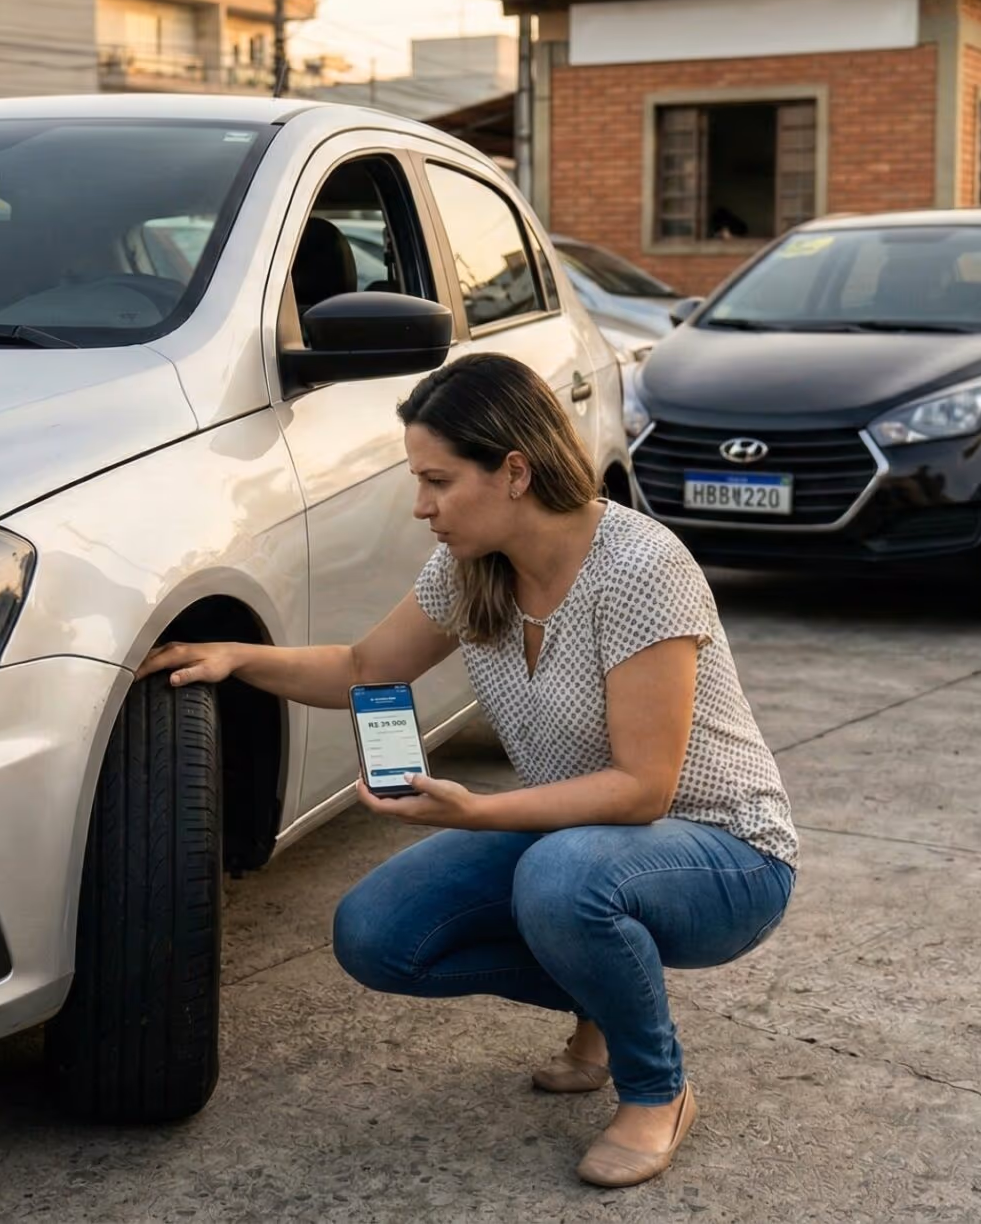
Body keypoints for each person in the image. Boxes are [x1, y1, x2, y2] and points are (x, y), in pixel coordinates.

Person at [140, 353, 798, 1188]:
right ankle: (603, 997)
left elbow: (644, 789)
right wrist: (237, 656)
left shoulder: (639, 568)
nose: (423, 508)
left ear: (514, 471)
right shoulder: (470, 571)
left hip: (725, 852)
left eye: (439, 481)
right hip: (581, 836)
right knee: (378, 935)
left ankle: (655, 1088)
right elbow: (360, 668)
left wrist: (475, 811)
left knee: (561, 881)